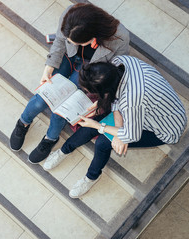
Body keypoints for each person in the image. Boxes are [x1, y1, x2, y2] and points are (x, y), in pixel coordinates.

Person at [43, 55, 187, 198]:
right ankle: (64, 150)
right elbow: (117, 101)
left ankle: (91, 177)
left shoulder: (131, 101)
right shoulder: (121, 62)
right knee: (93, 118)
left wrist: (102, 127)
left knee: (103, 142)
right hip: (148, 107)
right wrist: (111, 121)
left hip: (164, 127)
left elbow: (132, 135)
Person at [9, 3, 130, 163]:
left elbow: (116, 68)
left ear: (92, 36)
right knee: (41, 99)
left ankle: (50, 138)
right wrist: (49, 66)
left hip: (89, 68)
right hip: (68, 58)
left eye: (78, 42)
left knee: (62, 109)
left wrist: (101, 98)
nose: (72, 42)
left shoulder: (119, 37)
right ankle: (23, 123)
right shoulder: (71, 16)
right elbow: (59, 42)